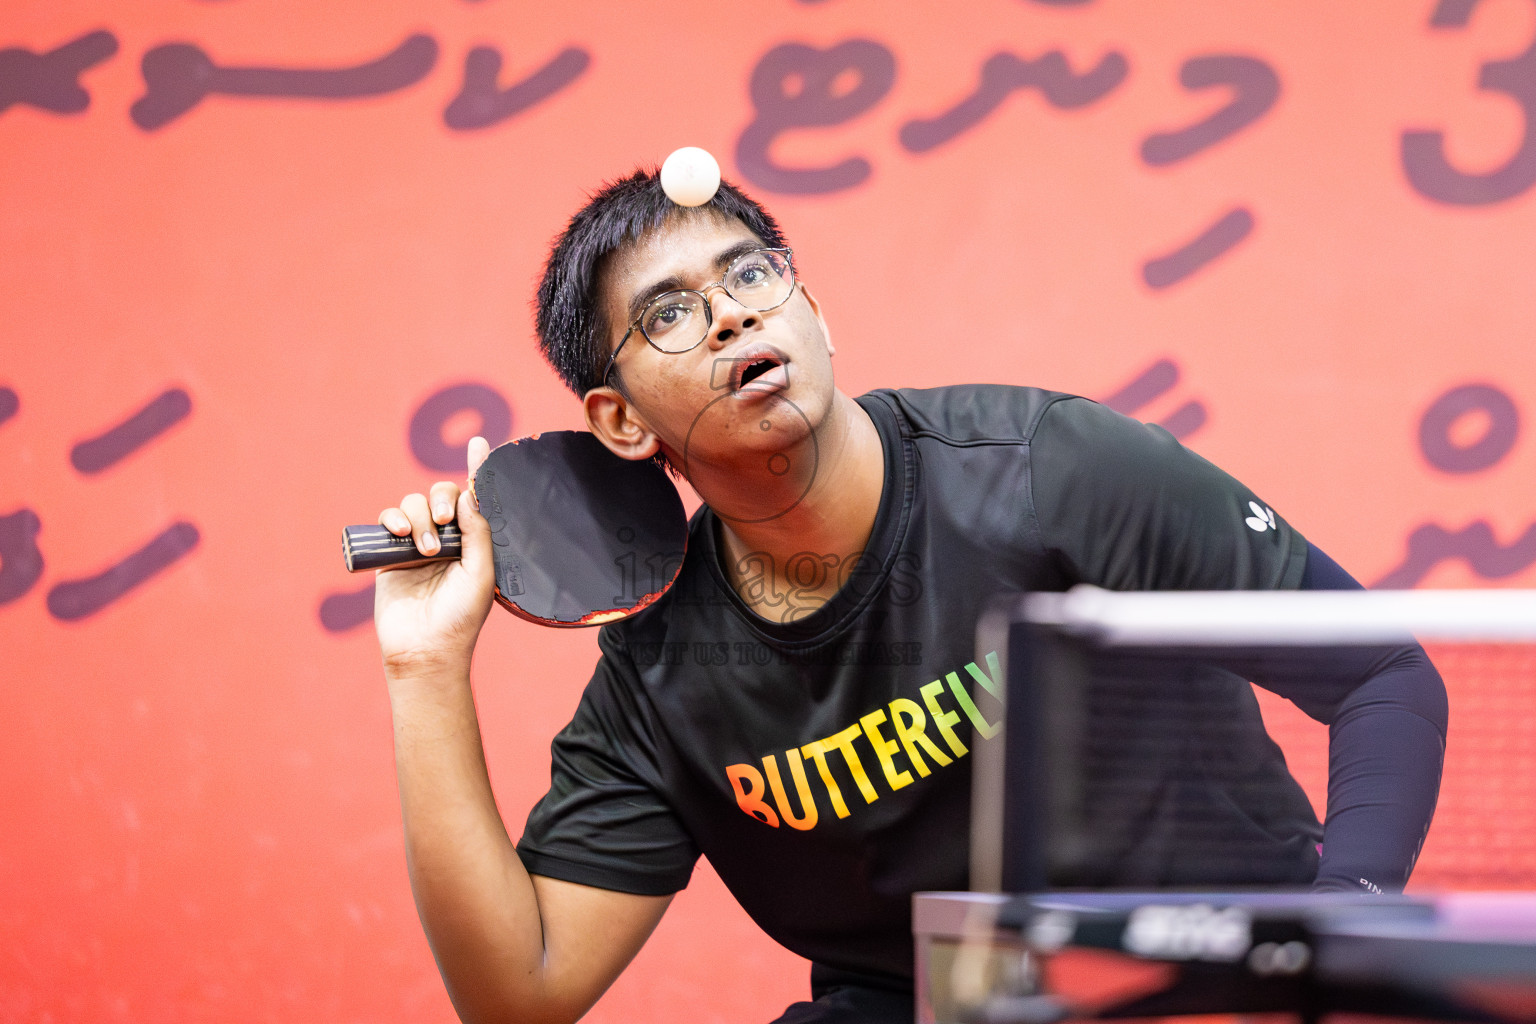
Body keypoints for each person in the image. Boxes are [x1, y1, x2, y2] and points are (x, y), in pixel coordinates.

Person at [370, 170, 1448, 1024]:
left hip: (1215, 966)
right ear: (620, 422)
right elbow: (523, 990)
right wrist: (423, 663)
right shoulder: (660, 681)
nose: (733, 316)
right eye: (670, 315)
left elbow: (1383, 675)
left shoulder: (1051, 471)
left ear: (814, 313)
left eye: (752, 277)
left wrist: (1334, 929)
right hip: (943, 1002)